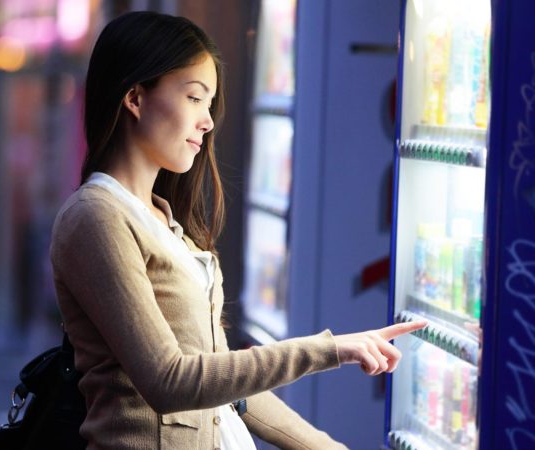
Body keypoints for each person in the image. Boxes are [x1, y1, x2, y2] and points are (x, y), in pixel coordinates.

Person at [49, 11, 426, 450]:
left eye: (209, 105)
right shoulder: (96, 217)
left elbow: (228, 386)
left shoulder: (165, 221)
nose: (207, 122)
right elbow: (169, 381)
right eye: (194, 98)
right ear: (135, 97)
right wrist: (330, 350)